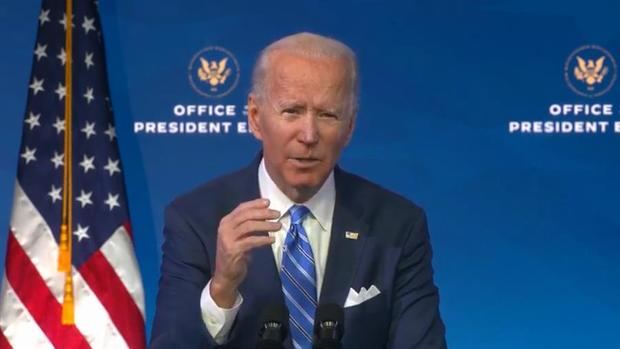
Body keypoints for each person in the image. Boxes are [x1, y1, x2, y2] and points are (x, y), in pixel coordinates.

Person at [150, 32, 446, 349]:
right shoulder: (196, 220)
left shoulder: (396, 225)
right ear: (255, 118)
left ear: (349, 127)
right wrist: (221, 288)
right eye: (292, 111)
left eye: (327, 114)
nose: (308, 135)